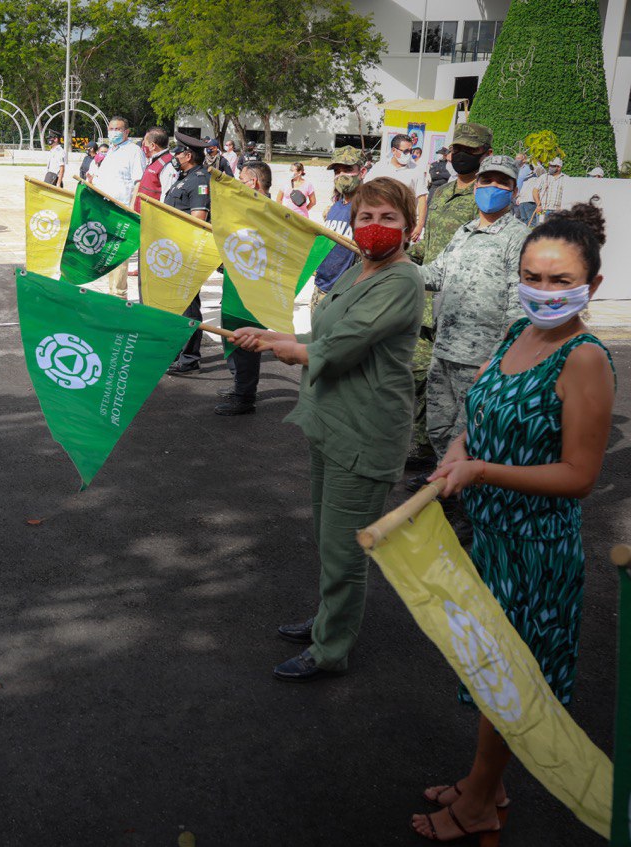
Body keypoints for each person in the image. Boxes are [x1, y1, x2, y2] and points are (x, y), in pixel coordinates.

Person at [414, 202, 615, 843]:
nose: (543, 292)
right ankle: (485, 784)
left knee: (510, 686)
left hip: (536, 553)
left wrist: (481, 474)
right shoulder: (514, 333)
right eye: (533, 277)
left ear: (592, 286)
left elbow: (579, 475)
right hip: (492, 541)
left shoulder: (584, 359)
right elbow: (479, 413)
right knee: (488, 674)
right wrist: (455, 453)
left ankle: (476, 807)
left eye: (561, 281)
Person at [232, 177, 423, 682]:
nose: (375, 227)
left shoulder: (402, 280)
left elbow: (340, 347)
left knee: (344, 550)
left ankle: (331, 649)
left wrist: (284, 349)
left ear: (409, 225)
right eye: (366, 217)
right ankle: (326, 619)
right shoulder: (359, 270)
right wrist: (274, 334)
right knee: (328, 536)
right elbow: (323, 333)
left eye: (388, 218)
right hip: (331, 421)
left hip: (366, 431)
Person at [420, 155, 529, 465]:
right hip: (444, 352)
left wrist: (501, 358)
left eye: (502, 182)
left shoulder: (518, 238)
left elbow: (517, 304)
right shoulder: (463, 233)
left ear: (513, 191)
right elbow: (436, 274)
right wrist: (393, 267)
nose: (493, 186)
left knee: (469, 435)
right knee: (439, 429)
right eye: (487, 180)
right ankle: (448, 487)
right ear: (477, 184)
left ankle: (466, 500)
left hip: (482, 360)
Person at [403, 122, 492, 484]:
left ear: (485, 155)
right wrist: (405, 250)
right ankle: (423, 446)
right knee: (418, 377)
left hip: (461, 305)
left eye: (468, 150)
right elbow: (431, 246)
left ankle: (450, 465)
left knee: (457, 391)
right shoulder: (440, 194)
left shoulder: (487, 198)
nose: (459, 156)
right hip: (427, 302)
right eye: (456, 148)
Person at [214, 160, 274, 415]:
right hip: (237, 282)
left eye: (241, 179)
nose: (236, 183)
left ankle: (244, 397)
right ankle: (240, 385)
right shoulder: (251, 207)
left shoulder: (267, 211)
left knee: (246, 340)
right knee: (233, 336)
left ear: (254, 183)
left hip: (250, 288)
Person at [164, 133, 219, 376]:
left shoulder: (199, 180)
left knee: (187, 306)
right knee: (173, 305)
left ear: (188, 155)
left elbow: (198, 220)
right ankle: (175, 352)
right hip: (171, 249)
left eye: (178, 152)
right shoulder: (183, 178)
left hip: (185, 250)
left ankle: (189, 357)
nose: (174, 156)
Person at [91, 116, 147, 299]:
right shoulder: (111, 152)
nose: (113, 132)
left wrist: (131, 209)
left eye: (118, 129)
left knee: (118, 254)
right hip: (106, 209)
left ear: (127, 132)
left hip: (122, 211)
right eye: (111, 129)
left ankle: (119, 297)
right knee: (108, 255)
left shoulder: (133, 151)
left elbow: (139, 181)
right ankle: (111, 292)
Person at [310, 146, 365, 308]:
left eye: (348, 170)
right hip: (321, 289)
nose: (341, 175)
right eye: (337, 171)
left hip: (345, 296)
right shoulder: (335, 207)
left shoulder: (369, 208)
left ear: (362, 172)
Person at [366, 134, 428, 242]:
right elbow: (365, 191)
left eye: (411, 151)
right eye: (405, 151)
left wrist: (419, 226)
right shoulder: (380, 167)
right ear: (394, 151)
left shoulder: (416, 171)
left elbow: (422, 199)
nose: (409, 154)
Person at [134, 126, 172, 212]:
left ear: (152, 146)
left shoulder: (167, 164)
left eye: (145, 143)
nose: (143, 146)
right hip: (143, 213)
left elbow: (166, 195)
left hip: (153, 216)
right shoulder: (153, 160)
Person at [532, 157, 566, 224]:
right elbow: (535, 191)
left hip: (557, 212)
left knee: (555, 232)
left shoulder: (566, 179)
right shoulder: (543, 177)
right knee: (540, 231)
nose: (550, 167)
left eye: (552, 166)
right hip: (543, 210)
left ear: (559, 167)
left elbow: (567, 195)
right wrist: (538, 205)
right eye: (549, 165)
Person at [514, 153, 538, 224]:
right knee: (518, 219)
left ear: (524, 160)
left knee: (528, 219)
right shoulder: (514, 169)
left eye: (518, 158)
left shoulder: (527, 169)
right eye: (516, 158)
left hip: (525, 197)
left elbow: (533, 182)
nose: (516, 160)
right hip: (514, 197)